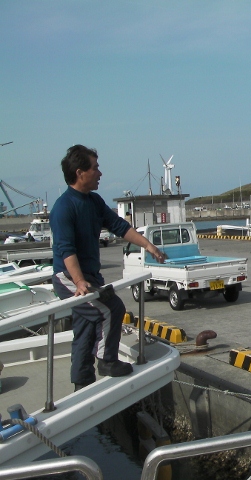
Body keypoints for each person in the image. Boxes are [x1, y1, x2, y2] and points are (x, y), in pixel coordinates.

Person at [50, 145, 166, 391]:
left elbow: (119, 226)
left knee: (85, 328)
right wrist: (79, 282)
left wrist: (149, 246)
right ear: (80, 173)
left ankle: (82, 382)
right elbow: (66, 249)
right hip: (68, 277)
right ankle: (106, 361)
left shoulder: (94, 201)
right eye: (96, 168)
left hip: (89, 276)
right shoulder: (63, 207)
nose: (100, 173)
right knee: (111, 308)